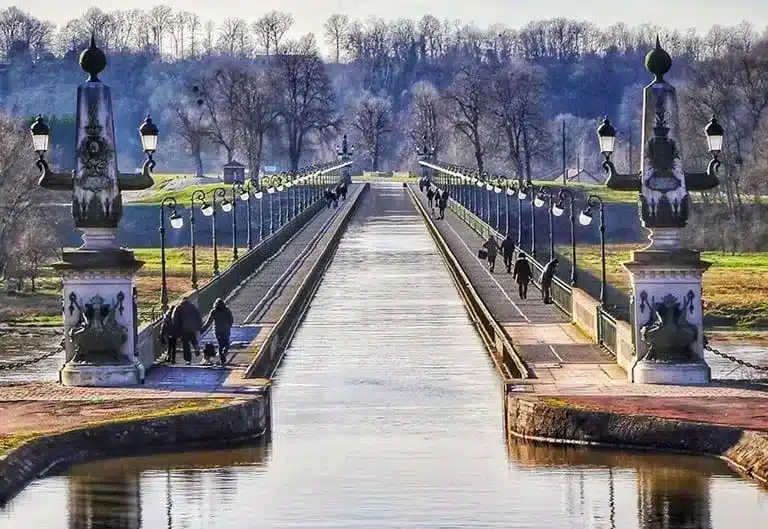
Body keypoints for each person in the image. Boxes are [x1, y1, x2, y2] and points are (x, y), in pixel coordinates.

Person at [171, 296, 203, 365]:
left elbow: (174, 318)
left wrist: (177, 328)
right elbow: (198, 317)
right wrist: (199, 327)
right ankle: (196, 345)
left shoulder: (178, 307)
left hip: (183, 329)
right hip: (192, 327)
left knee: (186, 344)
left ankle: (188, 359)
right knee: (193, 339)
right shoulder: (193, 307)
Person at [203, 298, 234, 365]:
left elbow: (209, 321)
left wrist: (203, 329)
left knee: (220, 344)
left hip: (217, 330)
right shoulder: (227, 310)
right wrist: (229, 326)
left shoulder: (214, 311)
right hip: (226, 329)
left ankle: (222, 358)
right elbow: (231, 319)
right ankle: (224, 352)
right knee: (226, 343)